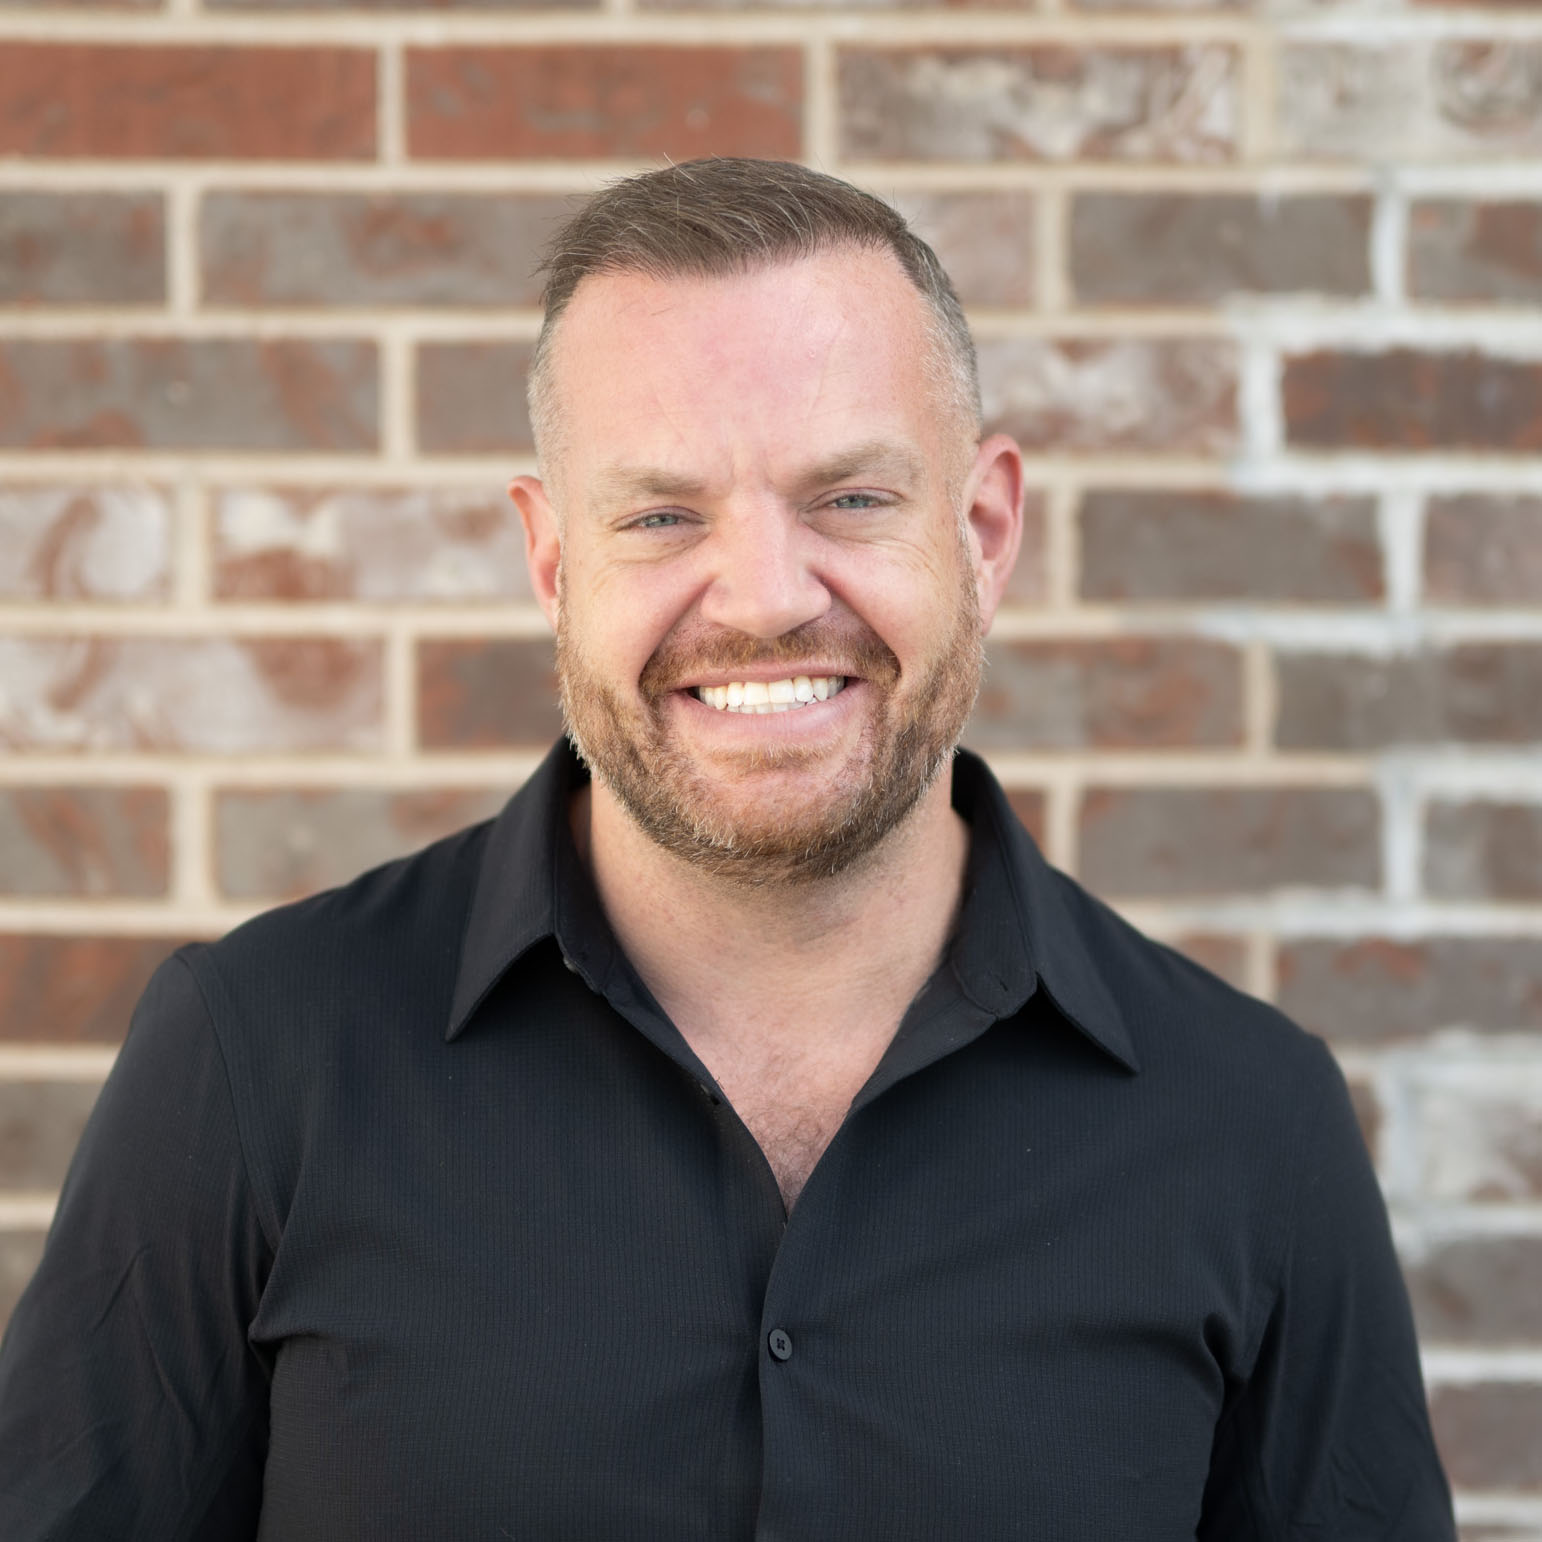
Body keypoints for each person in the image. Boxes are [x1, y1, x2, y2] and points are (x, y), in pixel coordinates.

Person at [0, 158, 1454, 1540]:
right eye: (660, 514)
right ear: (553, 562)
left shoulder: (1250, 1122)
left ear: (985, 529)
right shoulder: (255, 1061)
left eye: (850, 499)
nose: (762, 597)